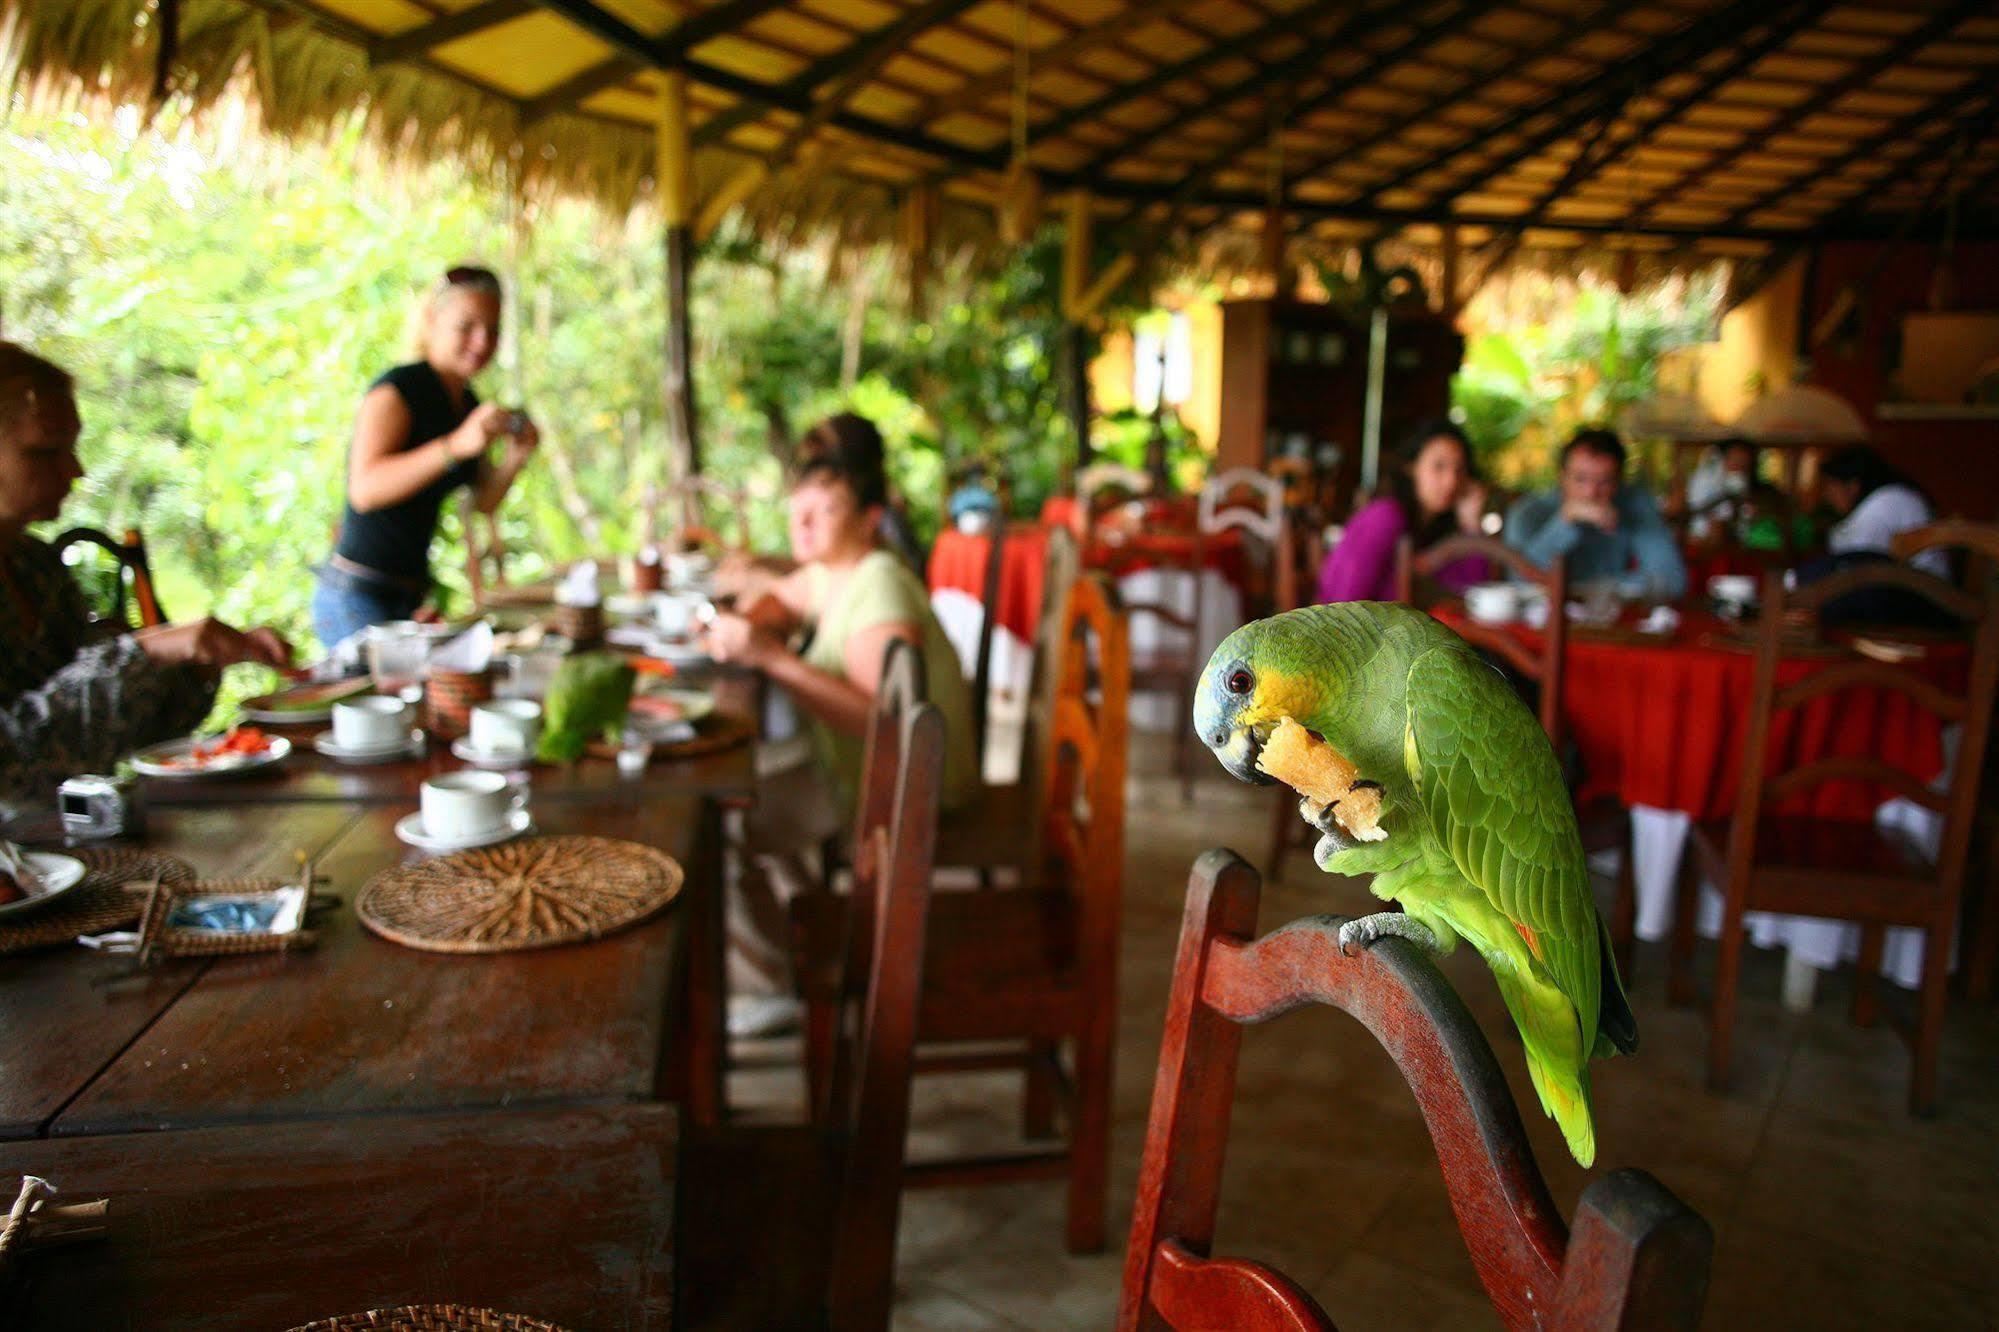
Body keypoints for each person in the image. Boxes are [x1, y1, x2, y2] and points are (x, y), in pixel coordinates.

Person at [704, 447, 975, 1034]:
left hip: (906, 791)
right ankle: (810, 937)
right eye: (796, 510)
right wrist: (755, 617)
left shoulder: (880, 586)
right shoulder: (836, 570)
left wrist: (770, 658)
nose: (802, 524)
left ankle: (769, 987)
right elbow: (786, 593)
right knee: (743, 790)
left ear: (870, 520)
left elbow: (885, 724)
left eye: (823, 512)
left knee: (720, 821)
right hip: (857, 771)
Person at [0, 343, 293, 812]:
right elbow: (17, 765)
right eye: (46, 451)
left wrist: (192, 662)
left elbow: (107, 733)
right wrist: (145, 652)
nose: (74, 470)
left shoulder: (33, 565)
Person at [311, 265, 539, 648]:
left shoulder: (467, 403)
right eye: (467, 326)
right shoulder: (398, 390)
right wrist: (457, 445)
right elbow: (364, 491)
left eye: (493, 330)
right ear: (432, 321)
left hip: (409, 597)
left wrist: (517, 455)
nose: (482, 342)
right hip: (357, 596)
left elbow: (484, 501)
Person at [1316, 420, 1490, 603]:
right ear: (1411, 466)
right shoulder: (1385, 517)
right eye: (1439, 466)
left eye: (1459, 470)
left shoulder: (1440, 531)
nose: (1451, 481)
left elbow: (1473, 595)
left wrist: (1471, 524)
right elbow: (1344, 602)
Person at [1505, 427, 1687, 599]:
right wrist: (1565, 521)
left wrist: (1593, 591)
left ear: (1619, 482)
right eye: (1580, 479)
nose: (1591, 492)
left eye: (1604, 481)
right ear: (1561, 477)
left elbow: (1672, 580)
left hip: (1612, 626)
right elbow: (1520, 584)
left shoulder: (1633, 504)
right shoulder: (1527, 513)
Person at [1819, 445, 1947, 577]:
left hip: (1922, 590)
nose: (1827, 496)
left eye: (1830, 486)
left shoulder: (1885, 502)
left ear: (1853, 486)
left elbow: (1853, 558)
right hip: (1918, 587)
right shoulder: (1893, 495)